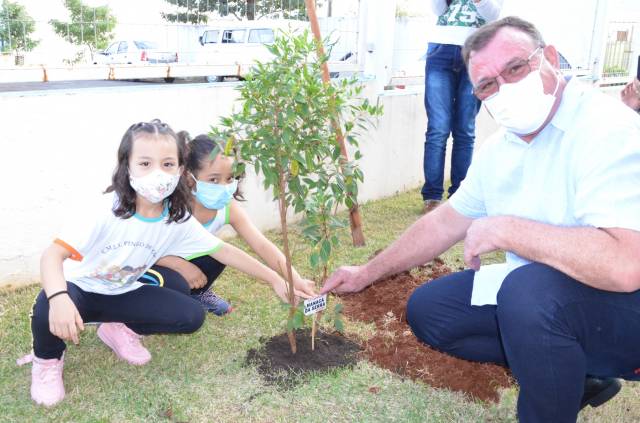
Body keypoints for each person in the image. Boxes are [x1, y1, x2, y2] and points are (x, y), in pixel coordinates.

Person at [322, 17, 640, 423]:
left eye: (514, 68)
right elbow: (443, 223)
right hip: (558, 299)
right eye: (488, 84)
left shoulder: (606, 129)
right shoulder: (500, 149)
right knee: (431, 310)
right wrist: (367, 272)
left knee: (529, 289)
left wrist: (507, 229)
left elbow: (626, 265)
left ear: (551, 60)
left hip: (628, 307)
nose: (503, 88)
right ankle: (578, 375)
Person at [22, 120, 309, 407]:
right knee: (48, 304)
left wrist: (275, 279)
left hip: (123, 291)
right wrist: (60, 299)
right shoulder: (103, 209)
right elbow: (52, 256)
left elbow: (225, 252)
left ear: (180, 171)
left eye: (168, 164)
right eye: (145, 163)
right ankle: (47, 361)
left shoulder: (176, 216)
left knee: (191, 315)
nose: (158, 173)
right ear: (127, 166)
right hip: (79, 290)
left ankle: (116, 329)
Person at [143, 133, 316, 315]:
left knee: (215, 256)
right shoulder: (169, 207)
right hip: (152, 262)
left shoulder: (227, 208)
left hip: (185, 259)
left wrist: (296, 281)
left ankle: (197, 293)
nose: (224, 186)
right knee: (179, 306)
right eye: (214, 180)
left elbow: (262, 245)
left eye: (230, 178)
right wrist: (178, 265)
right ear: (188, 176)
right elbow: (141, 250)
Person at [421, 0, 503, 213]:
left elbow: (493, 16)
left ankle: (459, 196)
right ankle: (432, 196)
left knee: (465, 129)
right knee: (437, 127)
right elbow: (438, 10)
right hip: (440, 50)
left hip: (477, 51)